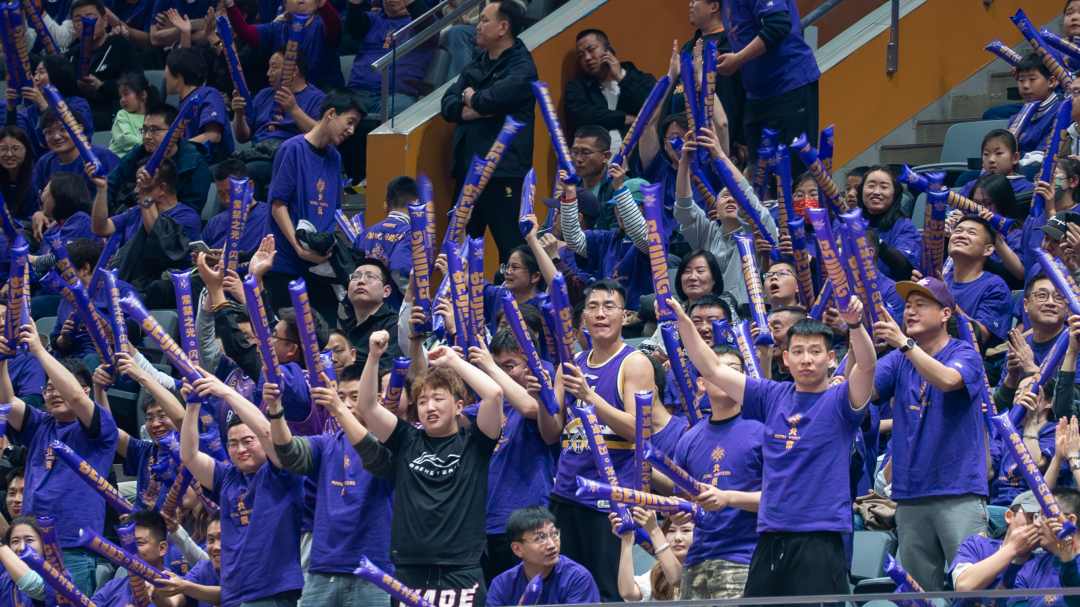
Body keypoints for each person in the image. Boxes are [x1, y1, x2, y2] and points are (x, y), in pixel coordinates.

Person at [672, 289, 874, 599]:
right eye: (798, 351)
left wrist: (856, 325)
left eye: (815, 351)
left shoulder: (840, 400)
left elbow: (867, 366)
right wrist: (684, 322)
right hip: (769, 536)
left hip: (818, 536)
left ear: (830, 358)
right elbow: (712, 368)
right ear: (786, 358)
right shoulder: (772, 396)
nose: (806, 359)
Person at [352, 331, 505, 607]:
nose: (429, 407)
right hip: (410, 568)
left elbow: (494, 394)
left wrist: (453, 361)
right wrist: (373, 357)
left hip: (462, 568)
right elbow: (366, 406)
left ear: (459, 407)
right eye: (422, 401)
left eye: (438, 399)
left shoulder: (476, 442)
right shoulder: (406, 439)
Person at [537, 280, 657, 602]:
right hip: (566, 492)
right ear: (583, 320)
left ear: (624, 316)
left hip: (609, 499)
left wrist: (589, 397)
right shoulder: (570, 365)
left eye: (609, 307)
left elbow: (639, 431)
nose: (600, 313)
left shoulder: (635, 363)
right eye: (592, 307)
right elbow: (551, 433)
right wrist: (543, 397)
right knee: (563, 592)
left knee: (607, 594)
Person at [871, 278, 989, 591]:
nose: (910, 311)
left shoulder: (964, 352)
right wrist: (860, 341)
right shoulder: (897, 360)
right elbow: (864, 393)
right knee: (917, 593)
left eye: (921, 304)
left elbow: (949, 380)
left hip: (958, 489)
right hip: (910, 493)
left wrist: (905, 345)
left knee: (973, 589)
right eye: (907, 305)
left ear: (945, 313)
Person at [0, 318, 119, 597]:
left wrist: (39, 350)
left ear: (86, 390)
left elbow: (75, 398)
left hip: (73, 546)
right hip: (31, 544)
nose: (53, 394)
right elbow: (7, 403)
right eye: (48, 389)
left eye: (59, 387)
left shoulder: (101, 425)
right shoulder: (41, 424)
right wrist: (2, 362)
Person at [271, 361, 396, 605]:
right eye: (341, 397)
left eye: (355, 397)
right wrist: (275, 411)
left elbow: (374, 455)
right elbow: (289, 453)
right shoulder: (326, 443)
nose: (346, 404)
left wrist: (337, 408)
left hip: (375, 572)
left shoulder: (392, 443)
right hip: (323, 570)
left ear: (377, 400)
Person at [181, 373, 306, 607]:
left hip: (271, 591)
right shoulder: (228, 477)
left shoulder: (283, 472)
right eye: (233, 443)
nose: (240, 449)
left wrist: (225, 392)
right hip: (233, 593)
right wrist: (192, 406)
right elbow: (189, 456)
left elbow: (267, 432)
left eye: (248, 441)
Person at [440, 0, 537, 263]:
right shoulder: (479, 61)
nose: (477, 25)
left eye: (484, 19)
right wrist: (472, 108)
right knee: (455, 251)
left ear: (503, 27)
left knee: (513, 253)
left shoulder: (523, 67)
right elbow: (447, 105)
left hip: (503, 173)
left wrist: (470, 97)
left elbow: (488, 102)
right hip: (467, 171)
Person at [265, 88, 364, 327]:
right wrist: (299, 248)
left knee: (325, 339)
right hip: (288, 265)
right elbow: (278, 205)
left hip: (321, 268)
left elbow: (333, 212)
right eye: (349, 122)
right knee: (289, 338)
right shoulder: (293, 149)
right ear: (331, 113)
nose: (351, 131)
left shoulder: (334, 158)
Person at [669, 343, 761, 599]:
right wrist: (675, 510)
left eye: (733, 369)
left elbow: (781, 499)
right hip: (697, 559)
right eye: (716, 369)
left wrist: (728, 498)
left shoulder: (763, 429)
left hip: (747, 557)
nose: (725, 375)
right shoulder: (689, 440)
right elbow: (683, 503)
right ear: (701, 383)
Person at [465, 329, 556, 583]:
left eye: (509, 366)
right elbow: (450, 419)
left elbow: (529, 407)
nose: (503, 373)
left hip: (530, 522)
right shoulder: (489, 406)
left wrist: (489, 368)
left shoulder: (543, 395)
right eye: (498, 366)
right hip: (487, 524)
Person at [673, 129, 777, 308]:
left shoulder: (758, 230)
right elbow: (684, 210)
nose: (731, 199)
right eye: (725, 196)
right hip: (708, 314)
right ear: (716, 209)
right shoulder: (708, 233)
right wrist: (684, 164)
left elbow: (748, 201)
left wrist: (720, 155)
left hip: (749, 314)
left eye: (735, 196)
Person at [718, 0, 819, 177]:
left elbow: (778, 26)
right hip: (756, 94)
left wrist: (738, 59)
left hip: (788, 85)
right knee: (758, 177)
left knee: (796, 175)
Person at [90, 157, 200, 291]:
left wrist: (146, 198)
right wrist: (102, 188)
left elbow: (161, 245)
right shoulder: (136, 211)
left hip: (157, 290)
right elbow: (100, 228)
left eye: (142, 185)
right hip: (124, 286)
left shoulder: (187, 217)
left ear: (162, 188)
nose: (136, 191)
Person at [232, 46, 326, 198]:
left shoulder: (317, 98)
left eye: (274, 68)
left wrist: (294, 109)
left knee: (249, 171)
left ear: (293, 71)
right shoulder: (263, 95)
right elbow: (242, 137)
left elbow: (321, 135)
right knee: (224, 171)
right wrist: (239, 114)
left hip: (289, 157)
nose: (268, 73)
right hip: (258, 152)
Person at [560, 166, 651, 313]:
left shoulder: (655, 241)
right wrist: (570, 193)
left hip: (637, 321)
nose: (619, 211)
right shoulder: (607, 238)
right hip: (605, 315)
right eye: (616, 205)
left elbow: (639, 234)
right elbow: (573, 240)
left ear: (648, 208)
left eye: (628, 205)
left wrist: (619, 188)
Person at [108, 103, 213, 216]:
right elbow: (109, 187)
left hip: (170, 224)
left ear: (176, 132)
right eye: (145, 130)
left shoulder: (195, 164)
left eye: (154, 130)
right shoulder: (134, 156)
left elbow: (189, 214)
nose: (147, 136)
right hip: (127, 221)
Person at [564, 29, 658, 153]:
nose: (587, 58)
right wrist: (626, 119)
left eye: (591, 50)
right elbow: (585, 116)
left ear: (608, 49)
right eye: (581, 56)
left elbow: (649, 109)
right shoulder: (577, 88)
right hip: (598, 162)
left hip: (640, 157)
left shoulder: (642, 79)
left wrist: (620, 78)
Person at [487, 506, 600, 606]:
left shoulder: (577, 578)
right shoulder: (501, 585)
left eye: (554, 534)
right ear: (518, 549)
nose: (552, 545)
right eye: (540, 538)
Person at [222, 0, 344, 90]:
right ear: (285, 4)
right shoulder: (276, 28)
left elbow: (334, 26)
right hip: (284, 94)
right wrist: (229, 4)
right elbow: (246, 33)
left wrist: (323, 4)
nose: (301, 0)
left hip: (322, 94)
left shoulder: (322, 25)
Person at [950, 491, 1042, 607]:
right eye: (1031, 517)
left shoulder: (1042, 565)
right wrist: (1013, 548)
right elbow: (964, 586)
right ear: (1009, 516)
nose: (1036, 525)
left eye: (1042, 520)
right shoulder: (978, 545)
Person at [27, 107, 119, 221]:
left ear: (79, 129)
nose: (56, 136)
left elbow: (111, 201)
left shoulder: (101, 157)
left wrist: (66, 220)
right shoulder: (44, 163)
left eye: (63, 129)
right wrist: (39, 214)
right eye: (49, 132)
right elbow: (40, 202)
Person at [344, 0, 434, 117]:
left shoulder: (422, 22)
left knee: (399, 109)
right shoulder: (373, 19)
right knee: (330, 108)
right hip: (355, 93)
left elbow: (425, 22)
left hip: (395, 96)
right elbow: (353, 26)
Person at [5, 54, 94, 163]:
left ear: (57, 75)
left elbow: (73, 138)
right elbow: (11, 139)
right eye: (35, 73)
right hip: (41, 168)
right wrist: (11, 108)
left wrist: (42, 104)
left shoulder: (78, 104)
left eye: (41, 72)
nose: (36, 78)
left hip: (77, 165)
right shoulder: (28, 112)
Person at [65, 0, 140, 130]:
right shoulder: (71, 55)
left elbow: (136, 86)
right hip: (78, 110)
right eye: (78, 20)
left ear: (105, 21)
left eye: (90, 17)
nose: (85, 24)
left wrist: (101, 86)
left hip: (111, 110)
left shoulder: (121, 47)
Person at [944, 215, 1013, 348]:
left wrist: (945, 298)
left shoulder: (995, 286)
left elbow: (981, 336)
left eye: (971, 233)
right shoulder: (940, 279)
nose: (961, 235)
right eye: (958, 231)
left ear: (988, 249)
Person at [1008, 487, 1080, 607]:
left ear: (1070, 521)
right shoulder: (1031, 568)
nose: (1036, 523)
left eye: (1043, 515)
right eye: (1037, 516)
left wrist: (1066, 549)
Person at [165, 48, 235, 165]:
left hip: (216, 164)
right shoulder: (175, 108)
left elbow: (213, 135)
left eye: (166, 68)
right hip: (188, 164)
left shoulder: (208, 94)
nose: (164, 76)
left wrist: (177, 148)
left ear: (177, 75)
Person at [90, 510, 171, 607]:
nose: (131, 550)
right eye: (127, 544)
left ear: (162, 548)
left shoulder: (176, 586)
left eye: (139, 543)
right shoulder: (112, 587)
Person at [611, 508, 694, 602]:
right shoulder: (658, 573)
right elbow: (628, 593)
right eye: (671, 531)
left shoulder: (703, 567)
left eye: (686, 530)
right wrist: (627, 540)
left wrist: (654, 530)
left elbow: (678, 579)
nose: (677, 538)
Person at [357, 175, 417, 302]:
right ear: (415, 204)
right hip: (391, 308)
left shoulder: (364, 234)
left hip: (361, 308)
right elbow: (399, 272)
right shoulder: (409, 234)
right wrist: (416, 299)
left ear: (386, 205)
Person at [342, 258, 404, 367]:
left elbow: (386, 369)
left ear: (386, 291)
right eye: (355, 277)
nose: (361, 281)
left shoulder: (397, 325)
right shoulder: (343, 327)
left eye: (370, 276)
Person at [154, 511, 222, 607]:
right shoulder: (202, 569)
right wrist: (154, 589)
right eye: (211, 540)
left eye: (222, 539)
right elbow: (173, 603)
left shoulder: (244, 570)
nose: (216, 547)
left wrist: (185, 587)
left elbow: (227, 594)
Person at [201, 160, 270, 255]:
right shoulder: (214, 223)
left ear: (250, 186)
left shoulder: (269, 218)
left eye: (232, 192)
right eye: (222, 194)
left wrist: (225, 260)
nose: (227, 200)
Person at [1012, 53, 1062, 159]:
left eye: (1032, 79)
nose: (1025, 86)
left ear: (1051, 82)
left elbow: (1043, 156)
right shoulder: (1015, 119)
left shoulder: (1061, 114)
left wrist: (1011, 158)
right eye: (1021, 80)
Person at [0, 516, 52, 605]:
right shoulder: (5, 579)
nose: (22, 547)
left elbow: (33, 585)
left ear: (44, 544)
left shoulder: (57, 574)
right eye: (15, 542)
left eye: (29, 540)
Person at [110, 73, 159, 158]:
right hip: (119, 158)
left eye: (126, 94)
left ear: (142, 94)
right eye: (120, 96)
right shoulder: (122, 114)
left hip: (142, 158)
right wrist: (148, 145)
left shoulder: (152, 118)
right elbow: (125, 139)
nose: (122, 100)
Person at [0, 127, 33, 221]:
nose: (9, 154)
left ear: (26, 150)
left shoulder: (35, 179)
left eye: (16, 149)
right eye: (3, 149)